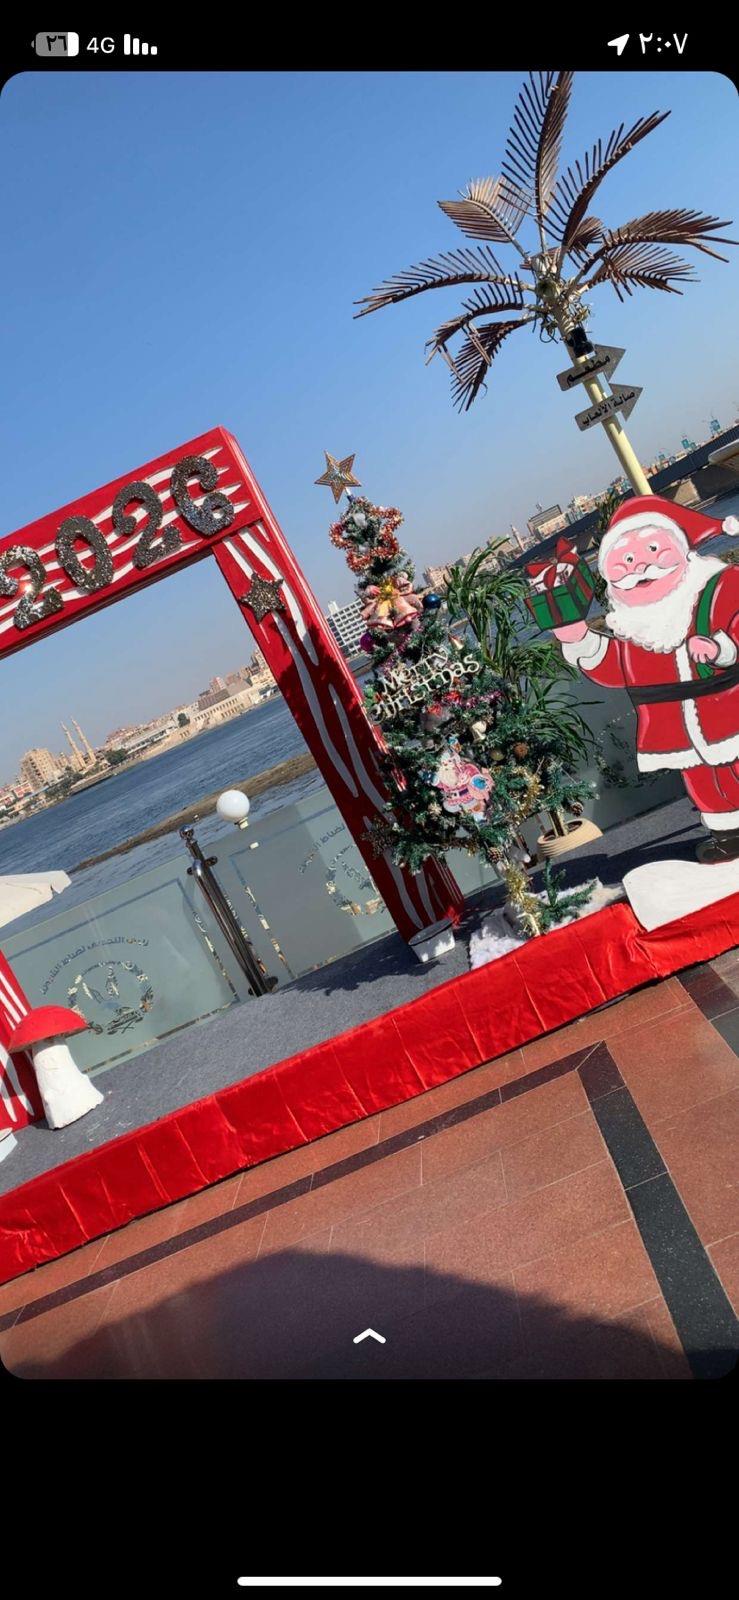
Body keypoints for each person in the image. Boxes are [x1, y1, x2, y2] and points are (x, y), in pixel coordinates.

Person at [552, 496, 739, 863]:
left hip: (728, 706)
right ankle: (729, 833)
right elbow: (615, 667)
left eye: (653, 549)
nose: (639, 566)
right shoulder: (635, 625)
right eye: (624, 560)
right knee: (700, 778)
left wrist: (721, 648)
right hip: (671, 724)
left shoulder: (722, 585)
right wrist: (579, 640)